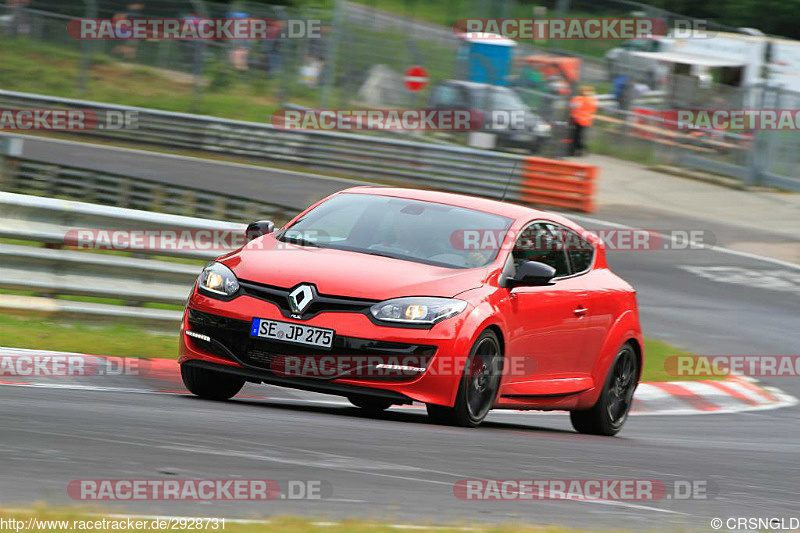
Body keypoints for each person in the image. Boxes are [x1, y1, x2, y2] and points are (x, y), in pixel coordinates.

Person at [568, 85, 597, 156]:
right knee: (580, 136)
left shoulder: (577, 99)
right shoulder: (592, 100)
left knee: (575, 136)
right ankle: (580, 149)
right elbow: (593, 110)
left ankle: (576, 150)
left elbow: (571, 107)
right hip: (586, 121)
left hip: (576, 120)